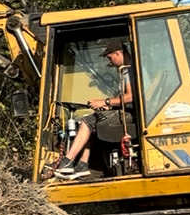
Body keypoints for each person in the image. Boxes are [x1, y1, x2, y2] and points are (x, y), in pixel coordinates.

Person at [55, 39, 135, 180]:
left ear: (118, 53)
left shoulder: (128, 70)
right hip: (128, 111)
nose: (110, 62)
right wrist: (108, 106)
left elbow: (130, 97)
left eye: (110, 58)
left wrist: (105, 101)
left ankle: (67, 161)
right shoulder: (129, 69)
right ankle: (82, 165)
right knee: (93, 122)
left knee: (87, 121)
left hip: (132, 114)